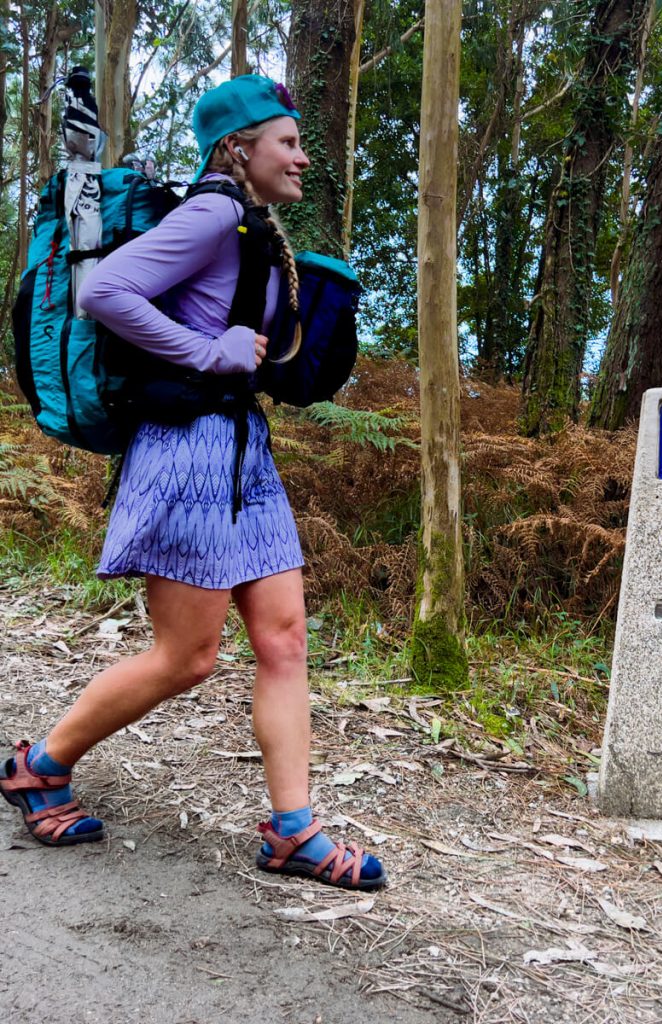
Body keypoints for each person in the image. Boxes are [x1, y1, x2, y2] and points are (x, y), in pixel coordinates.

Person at [0, 75, 386, 892]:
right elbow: (104, 291)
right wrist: (207, 353)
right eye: (287, 141)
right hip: (186, 455)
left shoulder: (252, 222)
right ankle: (38, 764)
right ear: (237, 148)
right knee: (187, 656)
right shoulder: (213, 212)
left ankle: (294, 832)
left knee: (283, 641)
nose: (303, 156)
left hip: (243, 454)